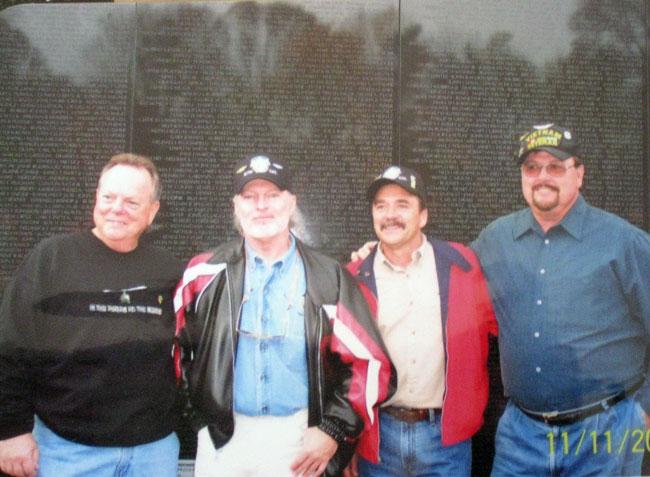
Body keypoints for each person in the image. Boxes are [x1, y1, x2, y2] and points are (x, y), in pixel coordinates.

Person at [173, 154, 396, 477]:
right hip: (223, 440)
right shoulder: (203, 274)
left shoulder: (327, 277)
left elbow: (371, 364)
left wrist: (333, 429)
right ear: (236, 206)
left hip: (299, 442)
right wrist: (200, 419)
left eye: (273, 196)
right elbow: (176, 351)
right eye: (250, 197)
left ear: (292, 203)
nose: (261, 206)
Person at [471, 123, 650, 476]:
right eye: (532, 168)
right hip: (521, 434)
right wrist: (383, 256)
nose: (542, 177)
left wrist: (644, 409)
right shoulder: (497, 238)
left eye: (556, 167)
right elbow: (445, 278)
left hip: (609, 430)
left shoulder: (624, 242)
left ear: (579, 174)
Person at [0, 153, 182, 477]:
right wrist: (10, 429)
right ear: (97, 198)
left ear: (152, 211)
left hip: (152, 454)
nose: (117, 208)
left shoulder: (168, 269)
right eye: (109, 197)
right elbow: (11, 345)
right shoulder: (52, 259)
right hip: (67, 451)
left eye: (131, 201)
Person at [344, 165, 497, 476]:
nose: (390, 215)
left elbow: (498, 329)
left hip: (446, 440)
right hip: (378, 440)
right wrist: (346, 441)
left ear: (423, 216)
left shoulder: (464, 266)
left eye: (402, 205)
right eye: (381, 206)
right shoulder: (354, 277)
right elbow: (340, 366)